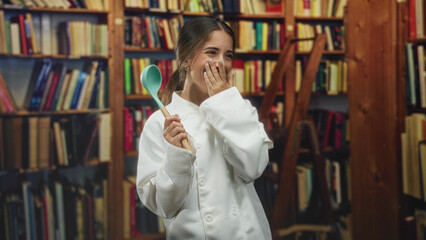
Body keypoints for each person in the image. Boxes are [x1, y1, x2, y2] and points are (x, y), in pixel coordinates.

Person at [136, 16, 273, 240]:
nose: (221, 63)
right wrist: (176, 157)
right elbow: (163, 206)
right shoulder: (160, 123)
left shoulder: (239, 108)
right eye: (211, 52)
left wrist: (224, 103)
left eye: (228, 55)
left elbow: (253, 168)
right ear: (186, 58)